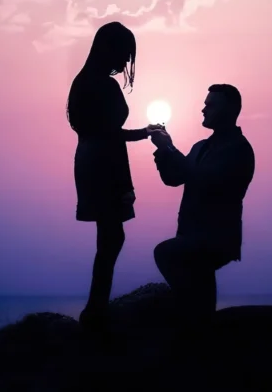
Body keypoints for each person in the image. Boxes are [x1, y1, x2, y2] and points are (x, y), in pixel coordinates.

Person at [66, 21, 163, 328]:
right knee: (112, 237)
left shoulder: (82, 82)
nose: (126, 62)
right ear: (109, 50)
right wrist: (125, 183)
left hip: (89, 159)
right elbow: (109, 136)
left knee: (109, 237)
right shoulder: (103, 85)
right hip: (104, 163)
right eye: (124, 54)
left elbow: (101, 132)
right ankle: (95, 311)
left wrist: (143, 132)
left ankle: (96, 307)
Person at [149, 84, 255, 335]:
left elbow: (202, 178)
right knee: (201, 285)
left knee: (165, 253)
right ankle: (202, 332)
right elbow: (174, 177)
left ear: (229, 110)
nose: (203, 109)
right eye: (205, 104)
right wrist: (163, 151)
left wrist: (170, 148)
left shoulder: (239, 149)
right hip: (191, 234)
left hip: (216, 238)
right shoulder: (200, 147)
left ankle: (194, 321)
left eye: (211, 105)